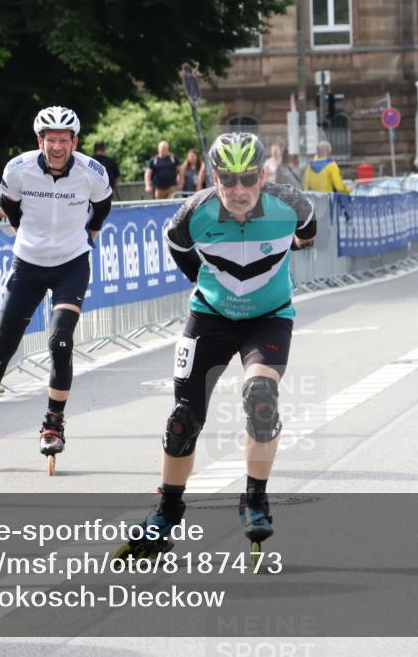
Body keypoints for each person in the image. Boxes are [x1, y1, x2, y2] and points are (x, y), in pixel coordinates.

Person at [120, 132, 316, 557]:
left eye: (249, 178)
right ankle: (167, 513)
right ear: (213, 175)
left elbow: (308, 232)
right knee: (182, 420)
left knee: (261, 398)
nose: (240, 190)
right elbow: (176, 245)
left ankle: (256, 499)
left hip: (268, 318)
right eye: (229, 180)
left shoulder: (293, 206)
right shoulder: (193, 213)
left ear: (263, 175)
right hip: (209, 317)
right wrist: (206, 283)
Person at [0, 106, 113, 465]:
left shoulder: (92, 172)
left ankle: (53, 423)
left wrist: (89, 234)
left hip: (71, 264)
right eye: (50, 140)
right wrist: (30, 233)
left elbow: (102, 206)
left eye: (64, 140)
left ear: (74, 141)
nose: (57, 147)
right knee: (1, 343)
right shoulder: (18, 168)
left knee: (60, 341)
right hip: (27, 263)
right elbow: (9, 206)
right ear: (39, 140)